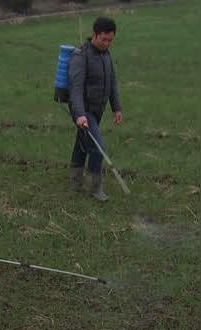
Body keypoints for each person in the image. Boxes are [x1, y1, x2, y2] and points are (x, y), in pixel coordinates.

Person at [68, 17, 123, 201]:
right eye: (103, 39)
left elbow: (112, 83)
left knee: (82, 144)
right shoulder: (80, 56)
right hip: (84, 110)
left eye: (110, 40)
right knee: (98, 147)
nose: (107, 43)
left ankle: (74, 182)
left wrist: (117, 108)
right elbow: (75, 89)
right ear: (94, 35)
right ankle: (95, 188)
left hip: (97, 110)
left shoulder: (106, 55)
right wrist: (80, 114)